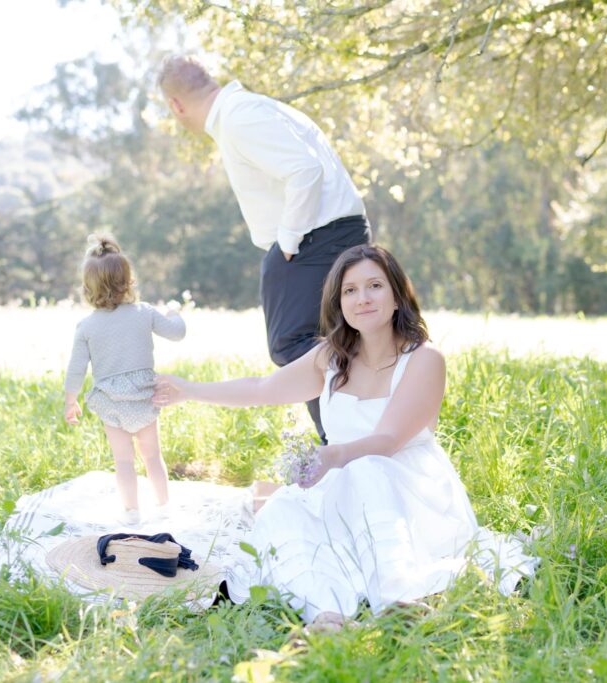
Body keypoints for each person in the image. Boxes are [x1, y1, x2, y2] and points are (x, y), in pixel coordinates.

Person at [154, 245, 537, 627]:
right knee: (284, 509)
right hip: (338, 484)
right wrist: (187, 389)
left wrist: (331, 457)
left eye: (374, 285)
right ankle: (325, 613)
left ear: (397, 295)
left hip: (404, 489)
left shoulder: (424, 360)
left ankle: (397, 597)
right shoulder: (331, 357)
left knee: (368, 469)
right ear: (338, 302)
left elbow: (387, 441)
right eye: (350, 290)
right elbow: (262, 389)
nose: (362, 298)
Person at [157, 54, 371, 443]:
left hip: (314, 239)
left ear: (176, 105)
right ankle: (344, 444)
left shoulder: (240, 116)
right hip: (331, 235)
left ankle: (356, 430)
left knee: (294, 344)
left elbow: (305, 171)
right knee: (321, 344)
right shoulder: (252, 109)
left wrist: (287, 242)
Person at [65, 234, 186, 525]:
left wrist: (71, 400)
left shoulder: (86, 327)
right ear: (129, 281)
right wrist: (176, 313)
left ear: (87, 287)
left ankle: (131, 512)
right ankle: (164, 505)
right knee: (152, 456)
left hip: (111, 403)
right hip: (143, 398)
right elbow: (176, 332)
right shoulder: (144, 313)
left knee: (123, 461)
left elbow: (76, 369)